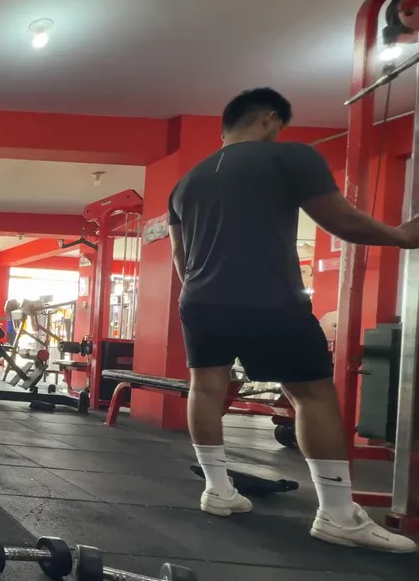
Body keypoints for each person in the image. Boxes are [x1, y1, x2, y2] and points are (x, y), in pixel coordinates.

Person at [168, 87, 419, 553]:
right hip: (267, 298)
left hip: (199, 299)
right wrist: (402, 236)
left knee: (206, 386)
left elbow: (181, 259)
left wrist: (208, 291)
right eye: (279, 125)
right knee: (312, 394)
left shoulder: (185, 183)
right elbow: (341, 221)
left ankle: (218, 491)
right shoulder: (291, 157)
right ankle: (338, 515)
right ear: (269, 118)